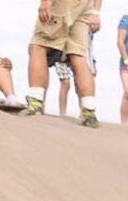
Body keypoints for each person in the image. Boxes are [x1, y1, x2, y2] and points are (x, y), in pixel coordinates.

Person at [20, 0, 102, 128]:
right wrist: (96, 12)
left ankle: (35, 102)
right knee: (78, 55)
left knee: (39, 46)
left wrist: (46, 2)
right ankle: (89, 110)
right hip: (85, 5)